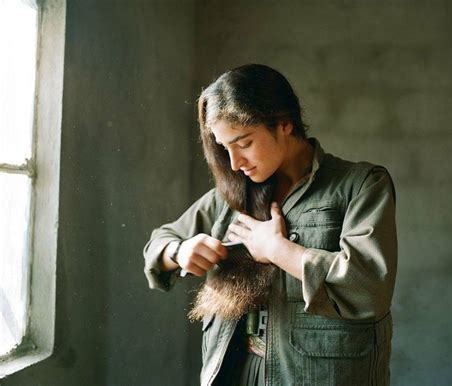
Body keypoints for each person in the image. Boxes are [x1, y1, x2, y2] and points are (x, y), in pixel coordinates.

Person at [143, 64, 397, 386]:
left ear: (284, 124)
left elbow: (369, 287)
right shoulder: (232, 194)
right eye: (225, 148)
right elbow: (158, 243)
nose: (235, 163)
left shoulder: (361, 185)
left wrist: (278, 249)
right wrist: (179, 251)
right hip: (237, 373)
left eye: (244, 143)